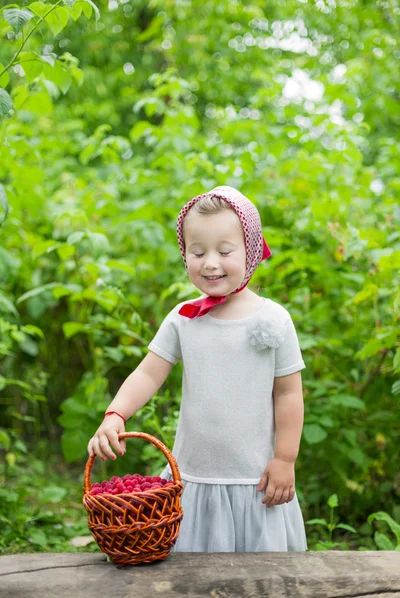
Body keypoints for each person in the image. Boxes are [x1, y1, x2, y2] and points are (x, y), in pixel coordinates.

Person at [87, 185, 307, 552]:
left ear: (251, 250)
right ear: (184, 253)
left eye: (225, 251)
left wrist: (285, 458)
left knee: (262, 576)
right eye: (198, 251)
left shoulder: (274, 319)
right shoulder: (184, 319)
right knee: (192, 573)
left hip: (255, 479)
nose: (210, 263)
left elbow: (288, 393)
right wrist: (115, 414)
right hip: (194, 475)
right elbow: (147, 373)